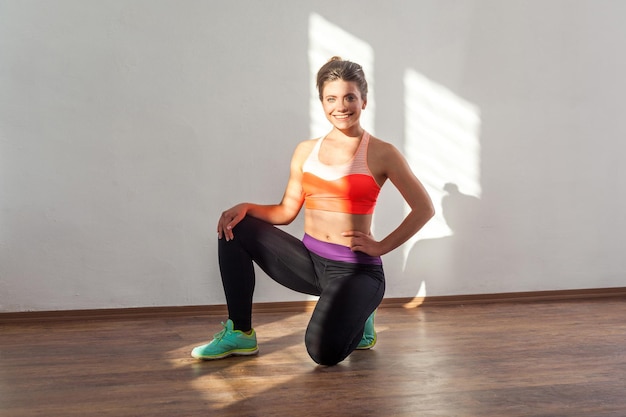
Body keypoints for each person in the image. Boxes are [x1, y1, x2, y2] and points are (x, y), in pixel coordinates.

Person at [191, 56, 434, 366]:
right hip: (309, 263)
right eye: (331, 98)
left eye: (350, 97)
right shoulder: (306, 150)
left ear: (364, 100)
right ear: (321, 102)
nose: (341, 106)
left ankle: (362, 314)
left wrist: (381, 246)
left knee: (322, 353)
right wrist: (248, 208)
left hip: (355, 271)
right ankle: (240, 333)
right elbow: (286, 211)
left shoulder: (382, 152)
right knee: (234, 226)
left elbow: (424, 208)